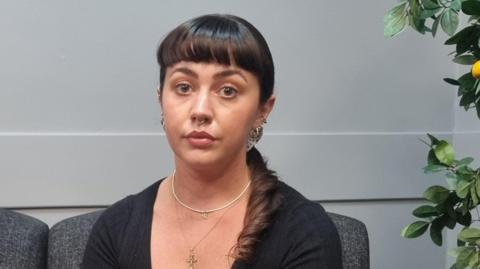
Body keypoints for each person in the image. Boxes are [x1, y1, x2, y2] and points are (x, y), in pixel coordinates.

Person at [81, 14, 343, 269]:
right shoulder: (116, 227)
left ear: (263, 109)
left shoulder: (305, 232)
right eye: (184, 87)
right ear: (161, 99)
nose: (201, 110)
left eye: (228, 91)